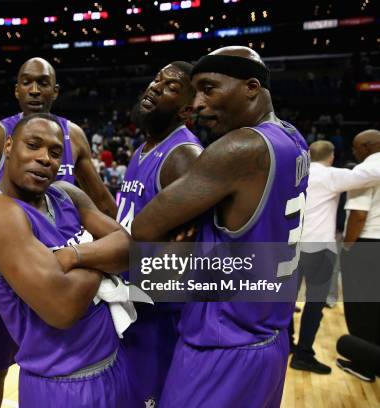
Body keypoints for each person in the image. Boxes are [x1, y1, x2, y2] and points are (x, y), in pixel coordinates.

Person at [132, 46, 309, 407]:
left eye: (209, 88)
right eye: (194, 91)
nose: (197, 103)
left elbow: (144, 228)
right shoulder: (293, 138)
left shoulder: (240, 147)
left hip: (221, 347)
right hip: (269, 341)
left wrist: (187, 233)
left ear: (251, 87)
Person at [0, 57, 116, 408]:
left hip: (62, 253)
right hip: (11, 263)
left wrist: (118, 240)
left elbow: (101, 197)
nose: (34, 89)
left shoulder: (73, 135)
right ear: (16, 89)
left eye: (42, 83)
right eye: (26, 82)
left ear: (54, 91)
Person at [118, 61, 202, 406]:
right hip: (129, 305)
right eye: (156, 79)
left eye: (170, 86)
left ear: (186, 110)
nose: (155, 86)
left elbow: (184, 258)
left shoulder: (184, 156)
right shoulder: (144, 148)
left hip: (156, 318)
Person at [289, 139, 380, 374]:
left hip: (290, 244)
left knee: (286, 301)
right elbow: (371, 173)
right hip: (318, 247)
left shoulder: (294, 172)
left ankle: (285, 343)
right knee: (314, 304)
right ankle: (303, 354)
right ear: (331, 157)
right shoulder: (331, 175)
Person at [339, 129, 380, 382]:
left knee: (360, 308)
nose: (354, 152)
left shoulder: (363, 173)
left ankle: (364, 365)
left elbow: (358, 215)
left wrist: (346, 249)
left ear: (365, 147)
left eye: (355, 147)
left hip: (366, 243)